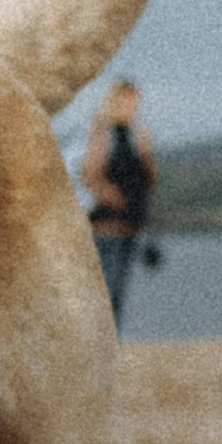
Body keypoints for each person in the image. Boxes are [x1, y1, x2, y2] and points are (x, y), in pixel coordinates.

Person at [80, 77, 156, 322]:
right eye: (125, 103)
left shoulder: (135, 138)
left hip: (129, 226)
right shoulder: (104, 134)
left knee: (116, 296)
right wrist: (114, 197)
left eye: (134, 103)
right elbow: (89, 175)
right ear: (113, 103)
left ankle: (109, 342)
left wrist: (146, 152)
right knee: (106, 295)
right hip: (106, 227)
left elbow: (150, 180)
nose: (131, 109)